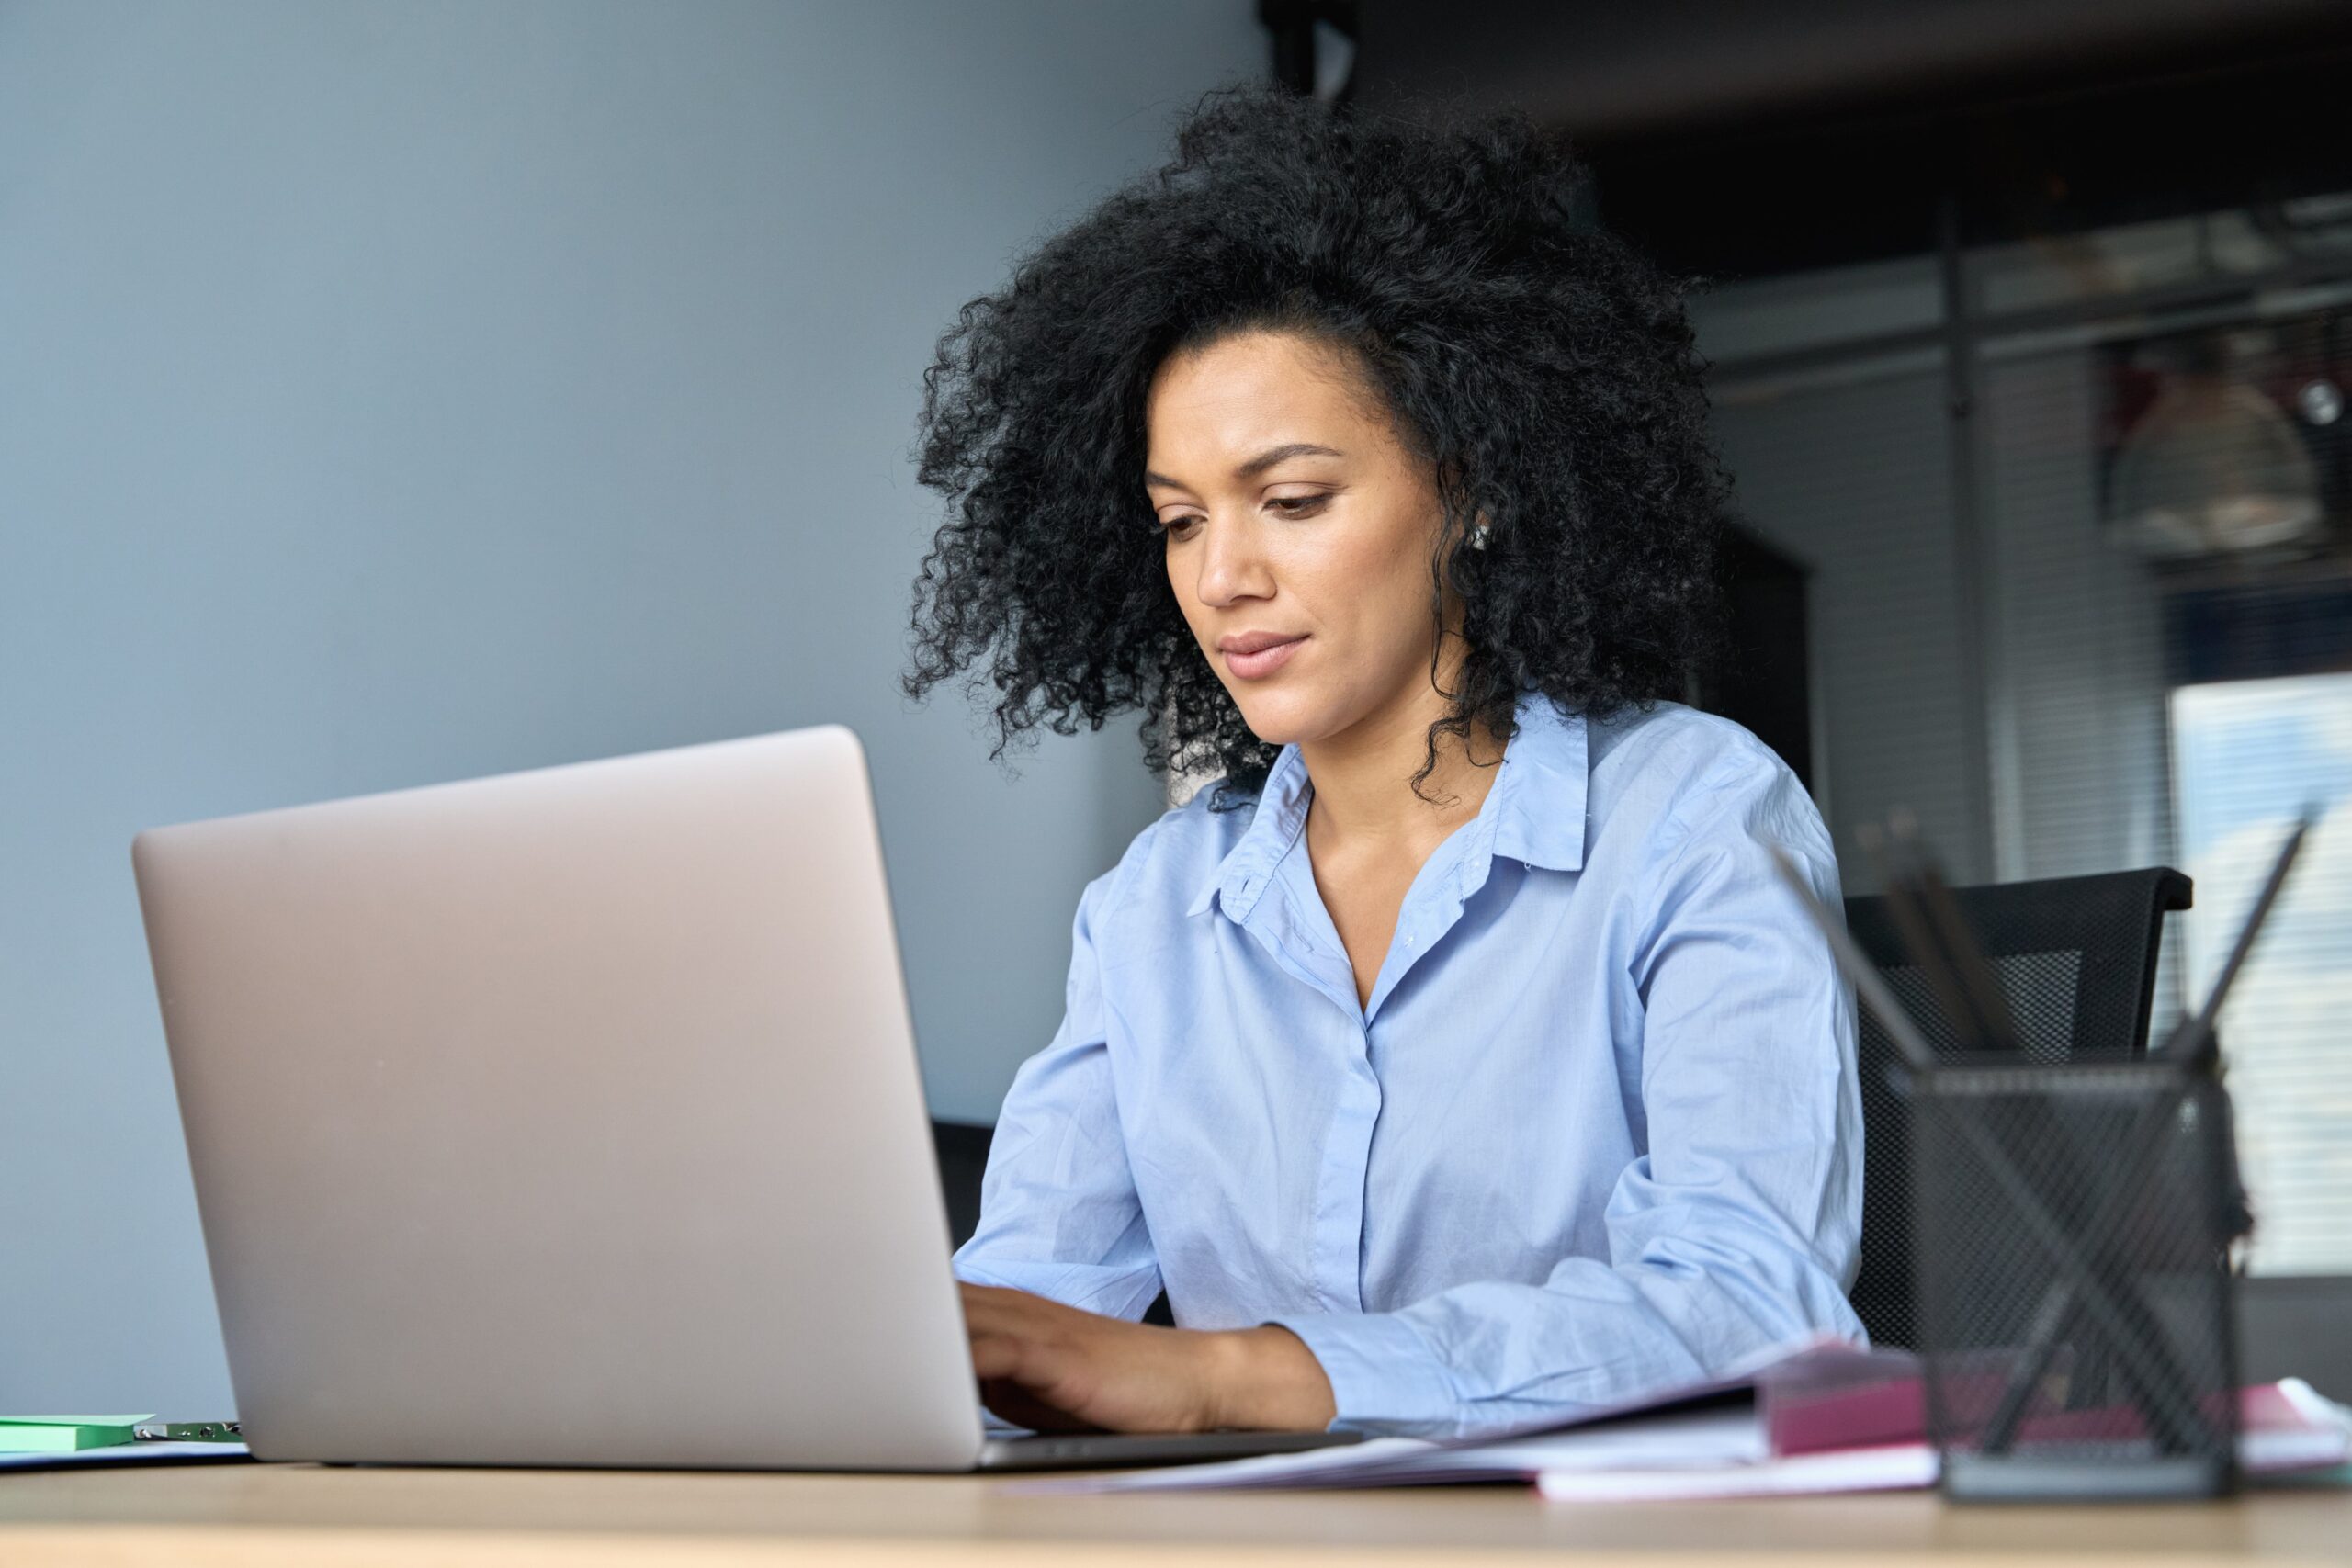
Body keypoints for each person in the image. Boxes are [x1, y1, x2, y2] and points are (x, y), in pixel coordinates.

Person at [900, 81, 1865, 1444]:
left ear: (1470, 488)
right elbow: (1024, 1310)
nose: (1224, 576)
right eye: (1179, 522)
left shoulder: (1698, 816)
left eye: (1292, 501)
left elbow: (1752, 1303)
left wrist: (1233, 1376)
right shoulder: (1156, 906)